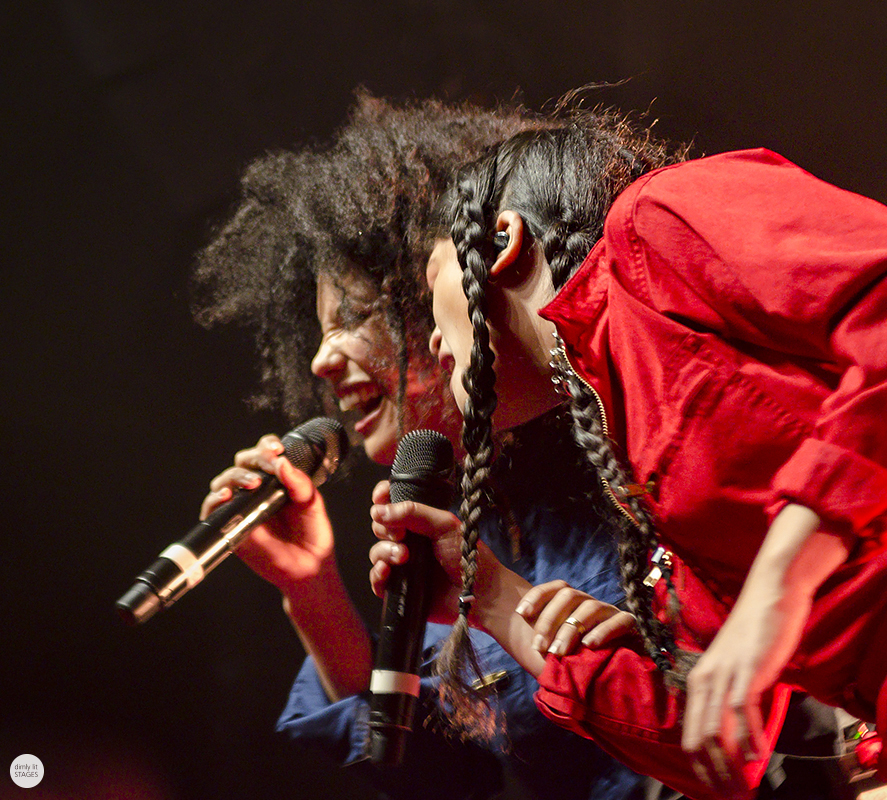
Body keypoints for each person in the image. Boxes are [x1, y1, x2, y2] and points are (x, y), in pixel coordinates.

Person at [368, 110, 887, 800]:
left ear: (503, 240)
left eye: (430, 280)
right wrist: (495, 600)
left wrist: (779, 583)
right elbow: (727, 752)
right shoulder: (636, 439)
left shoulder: (658, 221)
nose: (426, 338)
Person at [189, 93, 651, 800]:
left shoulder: (627, 466)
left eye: (354, 318)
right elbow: (438, 782)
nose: (320, 361)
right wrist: (310, 590)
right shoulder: (451, 537)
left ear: (446, 297)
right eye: (316, 332)